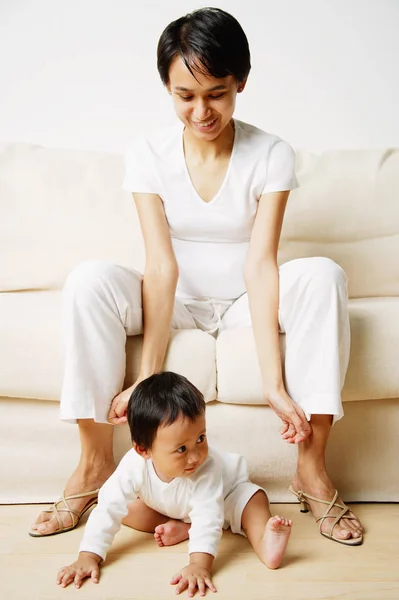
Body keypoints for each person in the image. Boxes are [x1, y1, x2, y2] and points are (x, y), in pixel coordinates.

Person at [30, 7, 363, 546]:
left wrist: (274, 384)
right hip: (175, 298)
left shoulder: (272, 153)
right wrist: (147, 380)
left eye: (217, 93)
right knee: (89, 279)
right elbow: (161, 265)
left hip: (241, 302)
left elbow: (261, 263)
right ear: (167, 87)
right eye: (185, 95)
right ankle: (93, 466)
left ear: (241, 83)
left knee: (324, 275)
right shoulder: (146, 153)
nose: (202, 110)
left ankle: (312, 470)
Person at [56, 372, 293, 593]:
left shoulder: (206, 467)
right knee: (123, 508)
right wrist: (88, 555)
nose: (196, 456)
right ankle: (187, 526)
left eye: (201, 438)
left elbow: (209, 516)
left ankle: (266, 544)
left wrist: (199, 565)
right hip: (173, 506)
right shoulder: (133, 466)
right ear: (143, 450)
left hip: (228, 496)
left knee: (254, 501)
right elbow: (108, 507)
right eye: (181, 449)